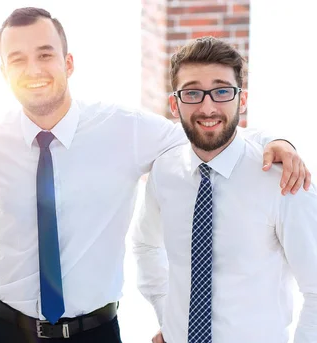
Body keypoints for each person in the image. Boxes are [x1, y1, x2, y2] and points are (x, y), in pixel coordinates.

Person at [0, 7, 310, 342]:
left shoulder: (127, 130)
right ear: (2, 72)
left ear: (68, 62)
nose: (33, 68)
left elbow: (207, 125)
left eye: (44, 54)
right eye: (17, 58)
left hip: (96, 333)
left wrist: (276, 139)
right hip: (7, 331)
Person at [132, 36, 317, 343]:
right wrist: (171, 318)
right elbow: (145, 246)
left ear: (241, 100)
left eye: (221, 91)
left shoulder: (283, 181)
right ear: (174, 104)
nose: (207, 107)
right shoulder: (164, 171)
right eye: (192, 93)